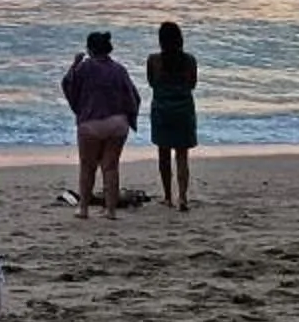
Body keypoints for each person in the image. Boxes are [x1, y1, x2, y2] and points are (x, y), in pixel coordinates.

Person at [60, 31, 140, 220]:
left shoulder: (85, 67)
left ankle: (83, 208)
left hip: (91, 122)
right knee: (111, 167)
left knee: (87, 166)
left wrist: (74, 64)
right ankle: (110, 210)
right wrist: (130, 117)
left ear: (90, 49)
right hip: (117, 123)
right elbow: (133, 96)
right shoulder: (119, 69)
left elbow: (68, 84)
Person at [146, 20, 200, 210]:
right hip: (184, 109)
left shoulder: (154, 60)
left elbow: (152, 83)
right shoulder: (189, 60)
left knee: (164, 155)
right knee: (182, 156)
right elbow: (193, 84)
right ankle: (183, 197)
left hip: (162, 110)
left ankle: (168, 196)